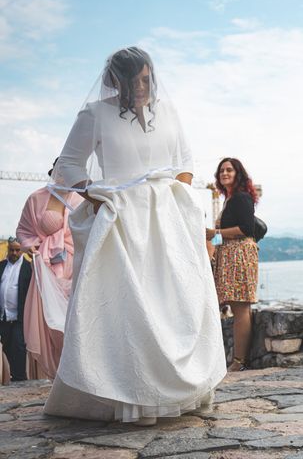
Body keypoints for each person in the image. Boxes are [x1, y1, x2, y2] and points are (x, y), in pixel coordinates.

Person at [43, 46, 226, 425]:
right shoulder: (94, 114)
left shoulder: (168, 111)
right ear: (115, 81)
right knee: (130, 306)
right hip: (122, 219)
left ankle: (181, 390)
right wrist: (96, 195)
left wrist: (176, 196)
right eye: (132, 81)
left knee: (175, 302)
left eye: (145, 79)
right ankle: (130, 396)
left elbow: (185, 161)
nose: (141, 87)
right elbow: (67, 165)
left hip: (167, 220)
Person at [16, 159, 83, 380]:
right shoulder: (36, 198)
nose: (64, 174)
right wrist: (30, 245)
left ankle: (75, 373)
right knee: (50, 323)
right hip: (46, 268)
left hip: (77, 266)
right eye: (60, 170)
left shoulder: (81, 198)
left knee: (75, 320)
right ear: (53, 172)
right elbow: (23, 230)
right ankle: (57, 374)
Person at [207, 158, 259, 372]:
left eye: (229, 170)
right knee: (234, 305)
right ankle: (235, 360)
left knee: (240, 306)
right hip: (229, 255)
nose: (224, 173)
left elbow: (246, 229)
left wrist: (213, 233)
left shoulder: (241, 198)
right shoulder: (229, 199)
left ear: (238, 173)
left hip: (240, 255)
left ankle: (239, 361)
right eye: (221, 171)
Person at [0, 237, 32, 381]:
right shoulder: (2, 266)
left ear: (22, 250)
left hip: (20, 317)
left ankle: (20, 379)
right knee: (6, 347)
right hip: (4, 316)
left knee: (19, 347)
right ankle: (13, 375)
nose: (14, 253)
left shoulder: (28, 268)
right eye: (11, 249)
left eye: (17, 250)